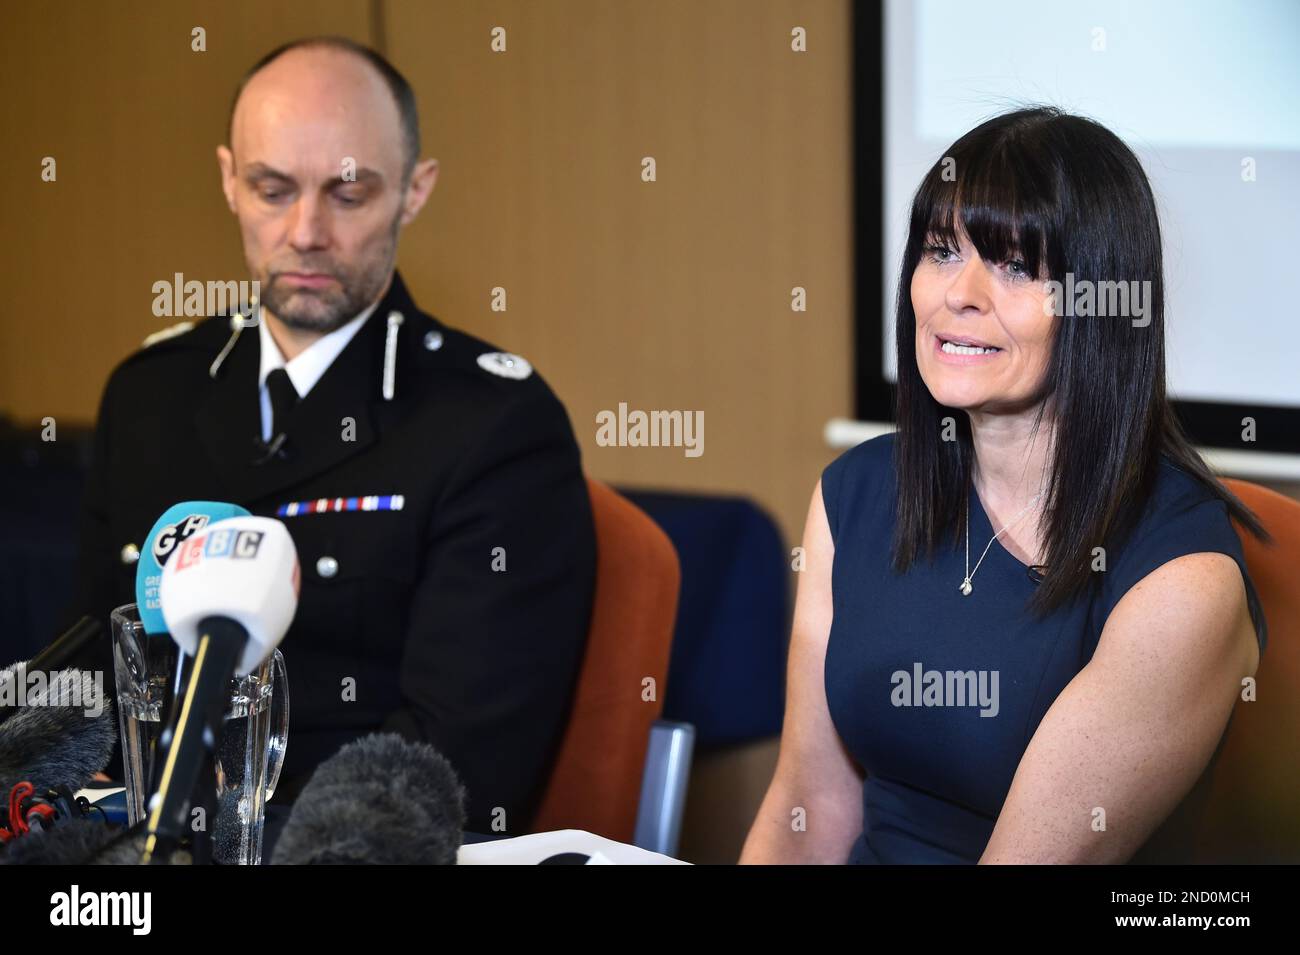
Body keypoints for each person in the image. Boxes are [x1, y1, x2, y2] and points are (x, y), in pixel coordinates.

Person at [66, 36, 596, 835]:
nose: (306, 232)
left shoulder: (494, 427)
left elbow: (452, 773)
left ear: (415, 192)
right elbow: (81, 693)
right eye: (272, 189)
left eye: (348, 196)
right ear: (227, 181)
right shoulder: (149, 395)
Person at [740, 106, 1271, 864]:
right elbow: (808, 808)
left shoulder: (1182, 581)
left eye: (1018, 266)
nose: (961, 293)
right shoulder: (853, 496)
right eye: (941, 251)